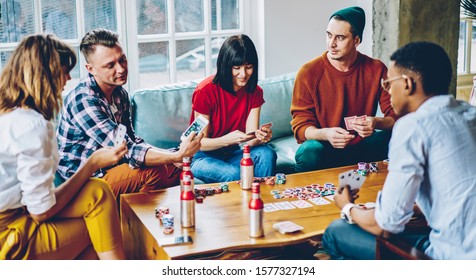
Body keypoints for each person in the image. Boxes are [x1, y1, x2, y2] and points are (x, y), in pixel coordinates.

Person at [322, 41, 476, 260]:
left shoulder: (413, 125)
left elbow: (386, 226)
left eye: (388, 84)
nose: (387, 91)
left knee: (336, 232)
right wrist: (412, 206)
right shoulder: (470, 114)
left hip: (452, 257)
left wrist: (347, 207)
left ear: (407, 84)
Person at [0, 34, 127, 259]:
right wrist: (92, 164)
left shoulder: (8, 113)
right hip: (10, 235)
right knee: (98, 223)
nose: (68, 78)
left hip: (19, 213)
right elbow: (41, 212)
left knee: (97, 191)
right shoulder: (31, 125)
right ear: (45, 75)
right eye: (64, 70)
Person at [56, 28, 202, 202]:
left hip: (112, 168)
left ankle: (147, 218)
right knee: (154, 170)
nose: (121, 69)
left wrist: (173, 155)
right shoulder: (84, 100)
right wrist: (175, 156)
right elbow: (128, 151)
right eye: (110, 65)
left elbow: (131, 139)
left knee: (178, 167)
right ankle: (134, 224)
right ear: (91, 69)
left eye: (122, 60)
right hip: (83, 182)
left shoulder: (119, 94)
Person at [290, 6, 397, 172]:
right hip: (325, 149)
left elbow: (397, 115)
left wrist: (376, 122)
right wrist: (326, 134)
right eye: (329, 35)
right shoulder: (308, 73)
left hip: (362, 148)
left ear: (356, 41)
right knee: (309, 150)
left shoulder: (376, 69)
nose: (331, 44)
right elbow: (300, 128)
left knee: (394, 136)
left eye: (339, 38)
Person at [189, 34, 277, 183]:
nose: (243, 74)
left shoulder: (255, 91)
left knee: (267, 154)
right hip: (203, 157)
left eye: (248, 67)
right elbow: (199, 143)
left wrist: (261, 138)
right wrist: (226, 140)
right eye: (236, 67)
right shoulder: (204, 91)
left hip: (235, 153)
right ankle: (247, 202)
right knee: (234, 174)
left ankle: (262, 201)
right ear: (226, 65)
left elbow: (249, 139)